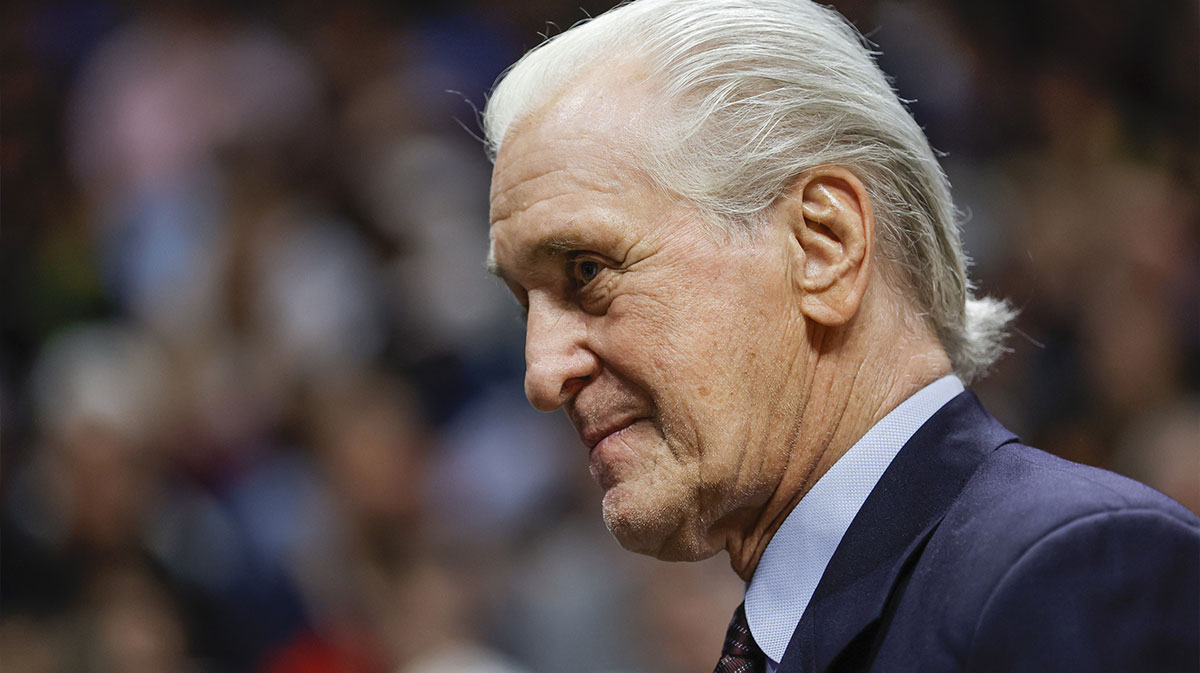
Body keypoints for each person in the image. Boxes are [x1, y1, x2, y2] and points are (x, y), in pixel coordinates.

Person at [481, 1, 1200, 671]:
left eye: (586, 269)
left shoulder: (1070, 570)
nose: (542, 374)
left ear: (824, 244)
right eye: (525, 307)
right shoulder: (793, 629)